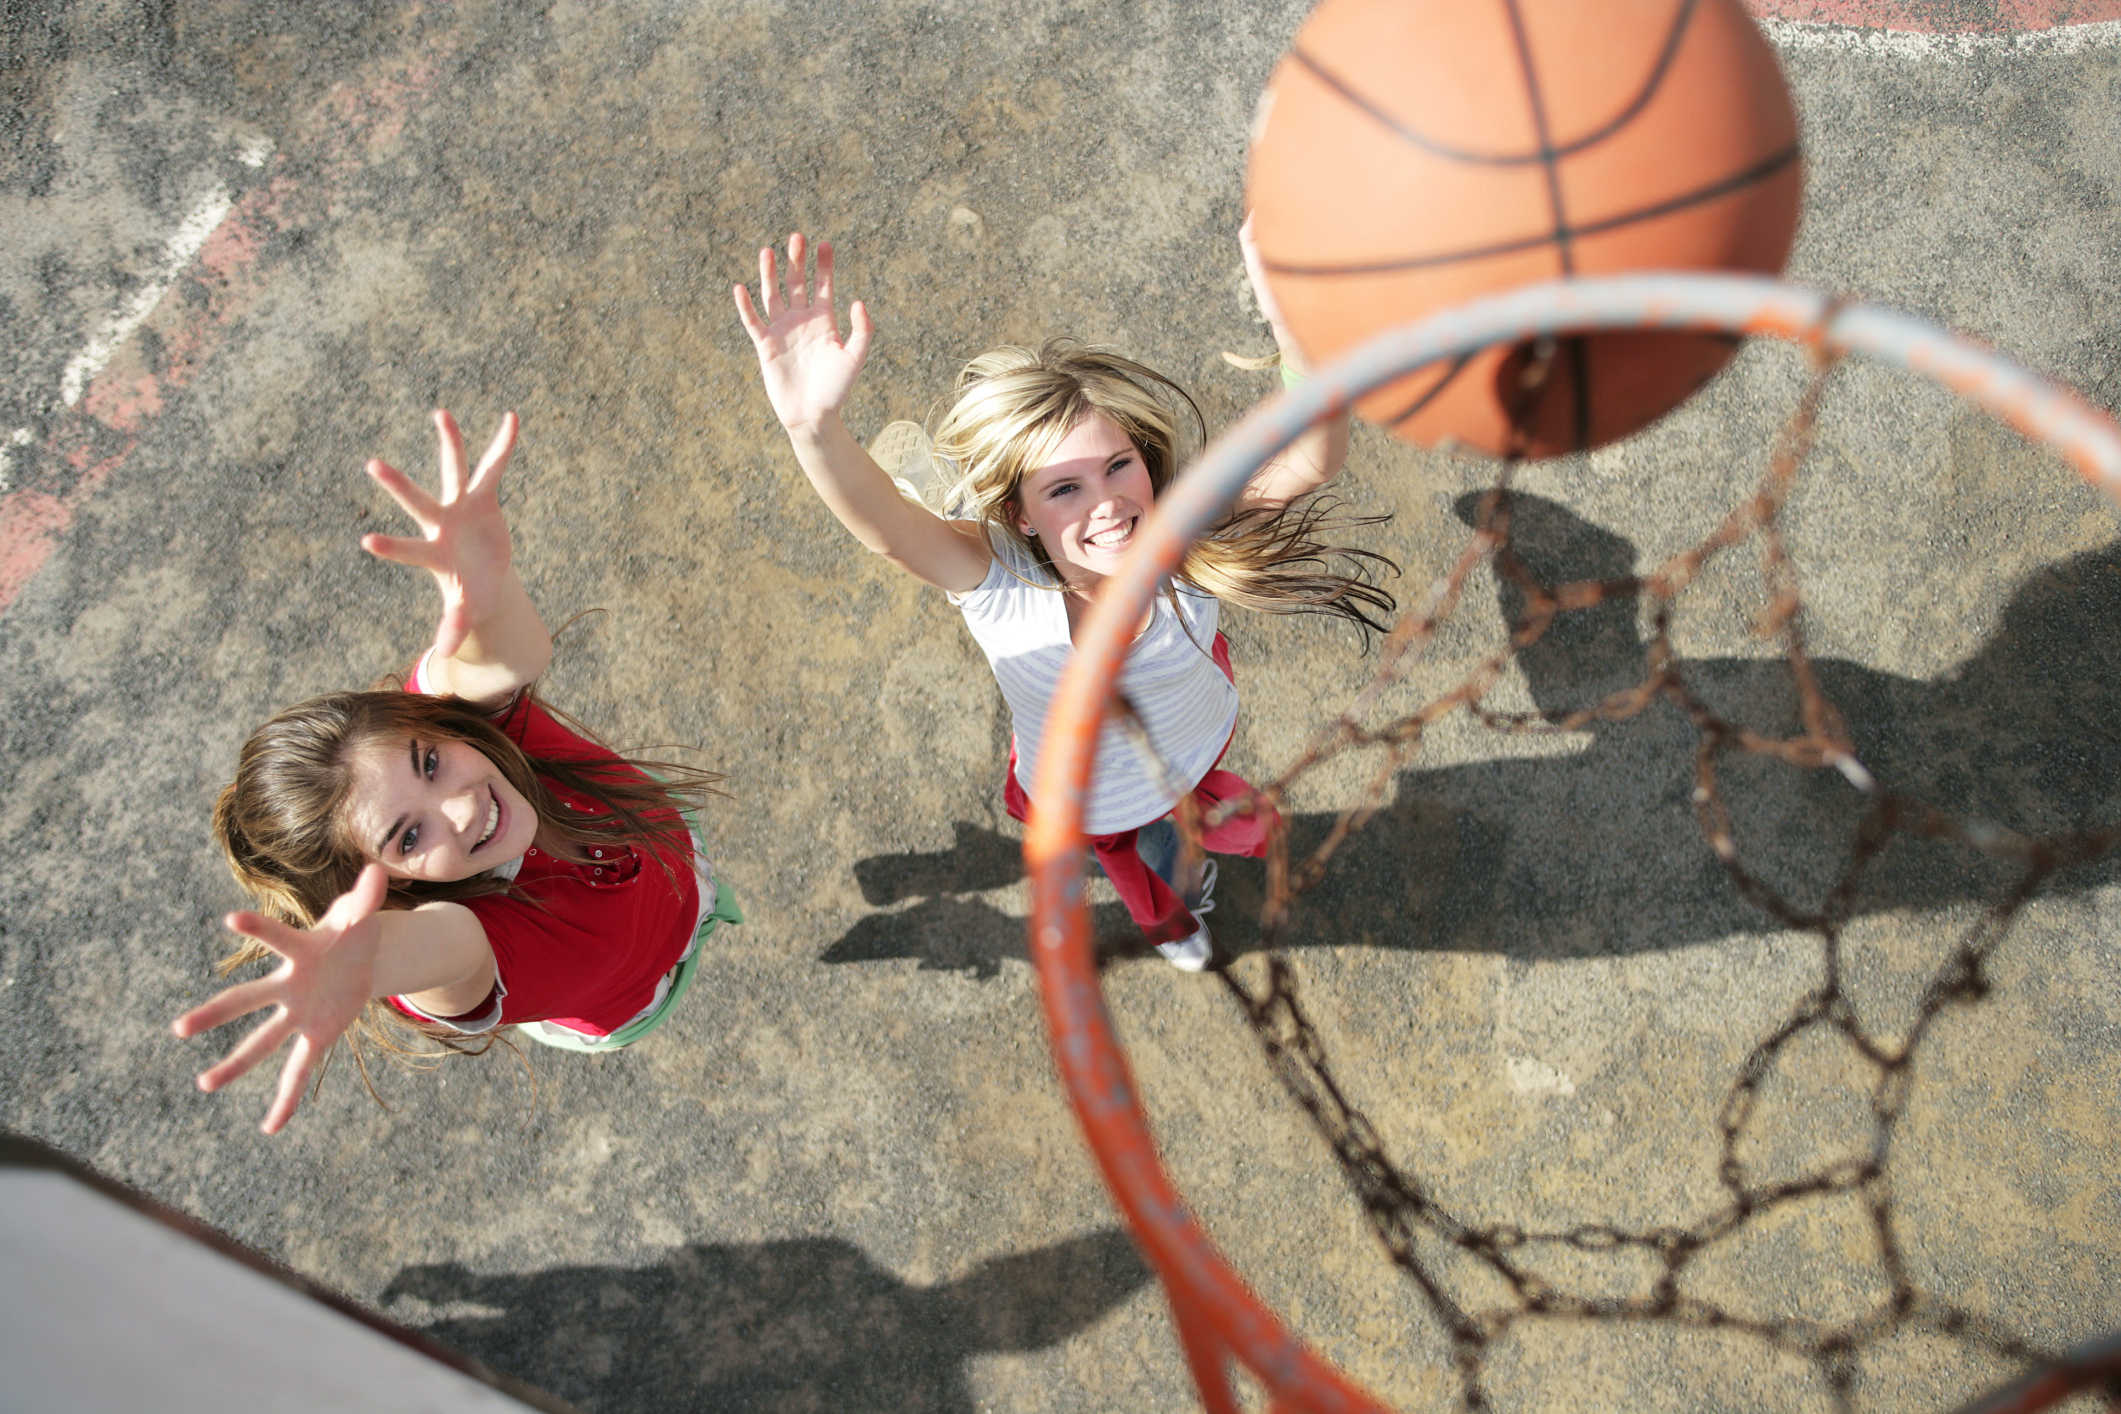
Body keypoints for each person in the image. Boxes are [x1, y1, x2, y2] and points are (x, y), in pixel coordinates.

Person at [733, 227, 1390, 971]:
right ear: (1020, 514)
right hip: (1091, 800)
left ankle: (1189, 864)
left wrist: (1297, 341)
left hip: (1193, 736)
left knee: (1201, 828)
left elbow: (1311, 454)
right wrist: (811, 426)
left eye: (1117, 466)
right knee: (1150, 873)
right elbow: (887, 530)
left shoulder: (1182, 537)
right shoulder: (994, 585)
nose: (1106, 503)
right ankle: (1171, 927)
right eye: (1064, 489)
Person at [172, 410, 738, 1133]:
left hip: (665, 849)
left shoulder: (471, 721)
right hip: (641, 985)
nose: (464, 808)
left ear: (431, 724)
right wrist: (369, 965)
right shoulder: (461, 939)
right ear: (392, 887)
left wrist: (487, 590)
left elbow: (506, 658)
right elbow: (435, 950)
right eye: (409, 837)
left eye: (430, 763)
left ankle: (695, 885)